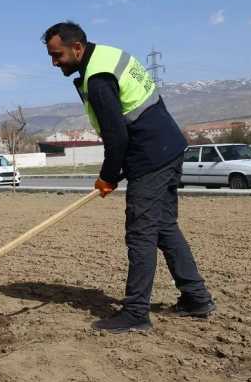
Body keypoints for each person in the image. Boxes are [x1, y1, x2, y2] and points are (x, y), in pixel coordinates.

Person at [42, 21, 215, 333]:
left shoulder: (97, 78)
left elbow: (117, 136)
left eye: (58, 55)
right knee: (163, 227)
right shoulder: (107, 55)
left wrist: (108, 176)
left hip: (150, 157)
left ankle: (136, 312)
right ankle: (196, 298)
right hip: (168, 146)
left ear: (77, 48)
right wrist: (118, 169)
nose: (55, 62)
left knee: (140, 234)